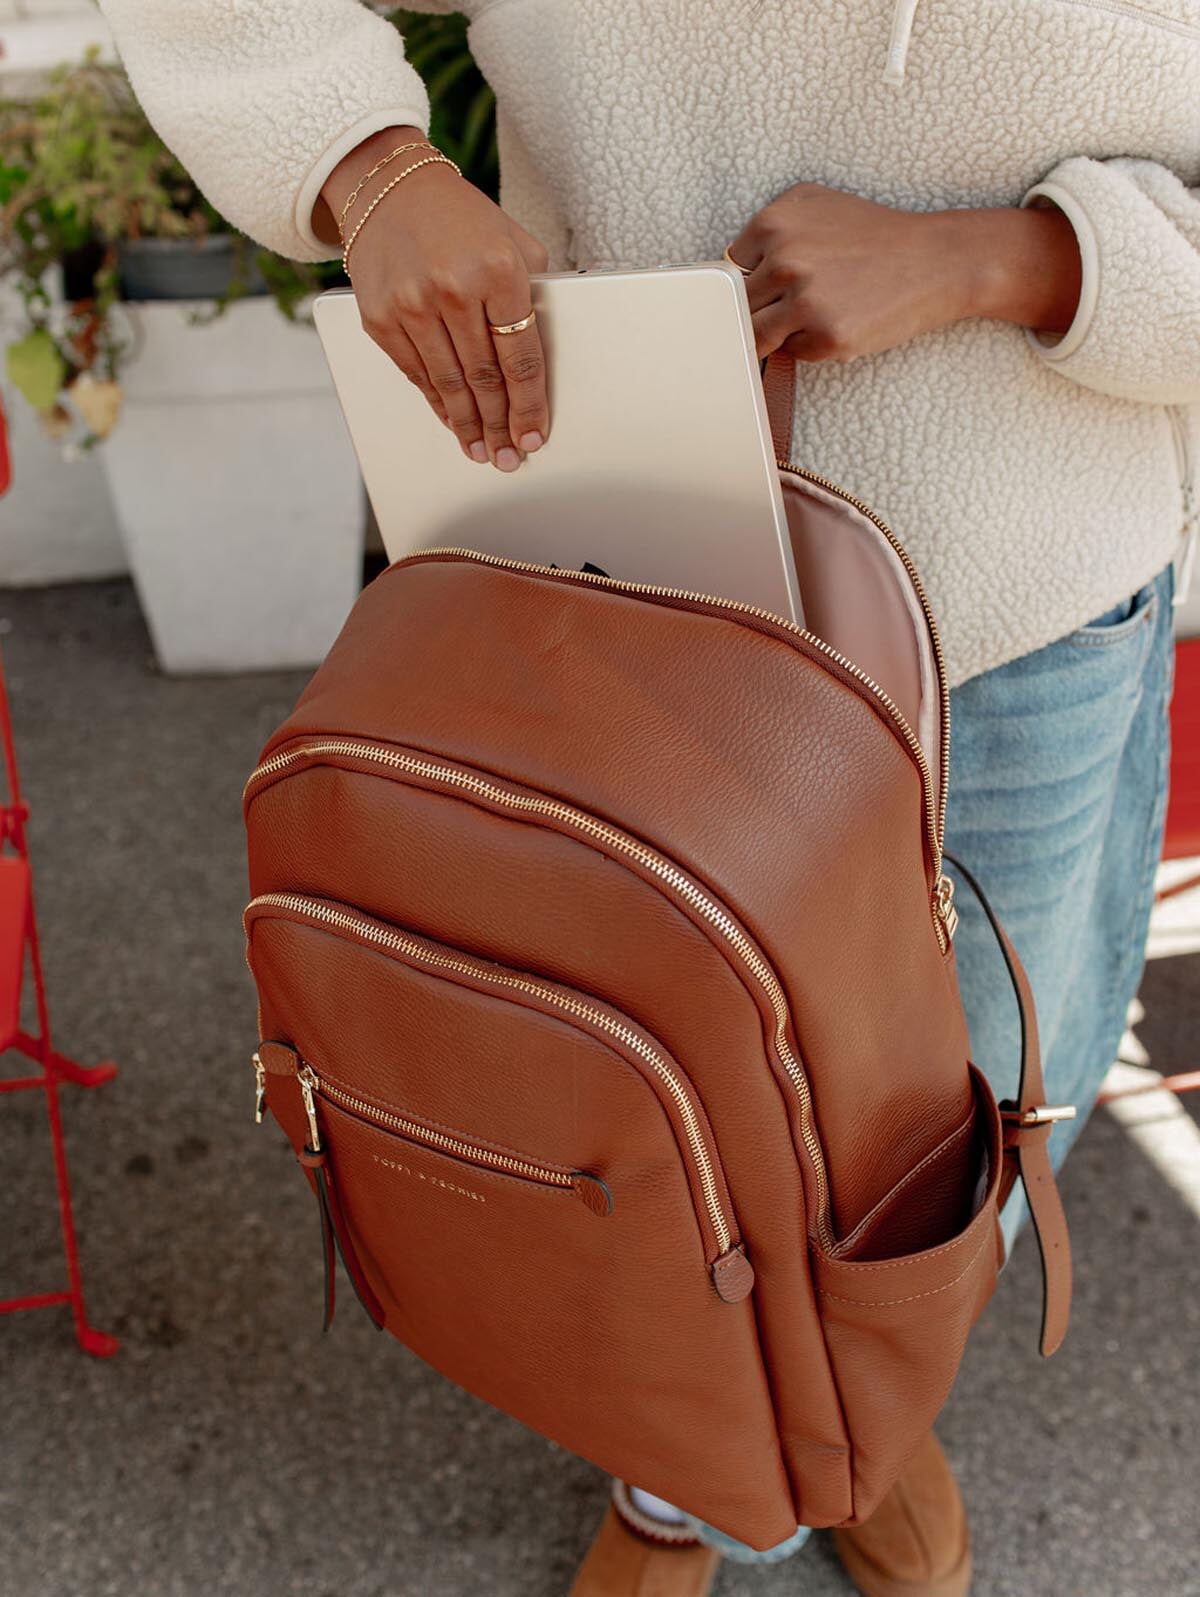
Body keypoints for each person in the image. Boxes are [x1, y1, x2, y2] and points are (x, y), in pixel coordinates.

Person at [97, 1, 1198, 1592]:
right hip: (619, 511)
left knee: (971, 1107)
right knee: (605, 1081)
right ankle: (681, 1459)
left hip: (1030, 571)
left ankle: (852, 1423)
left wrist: (1004, 259)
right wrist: (364, 163)